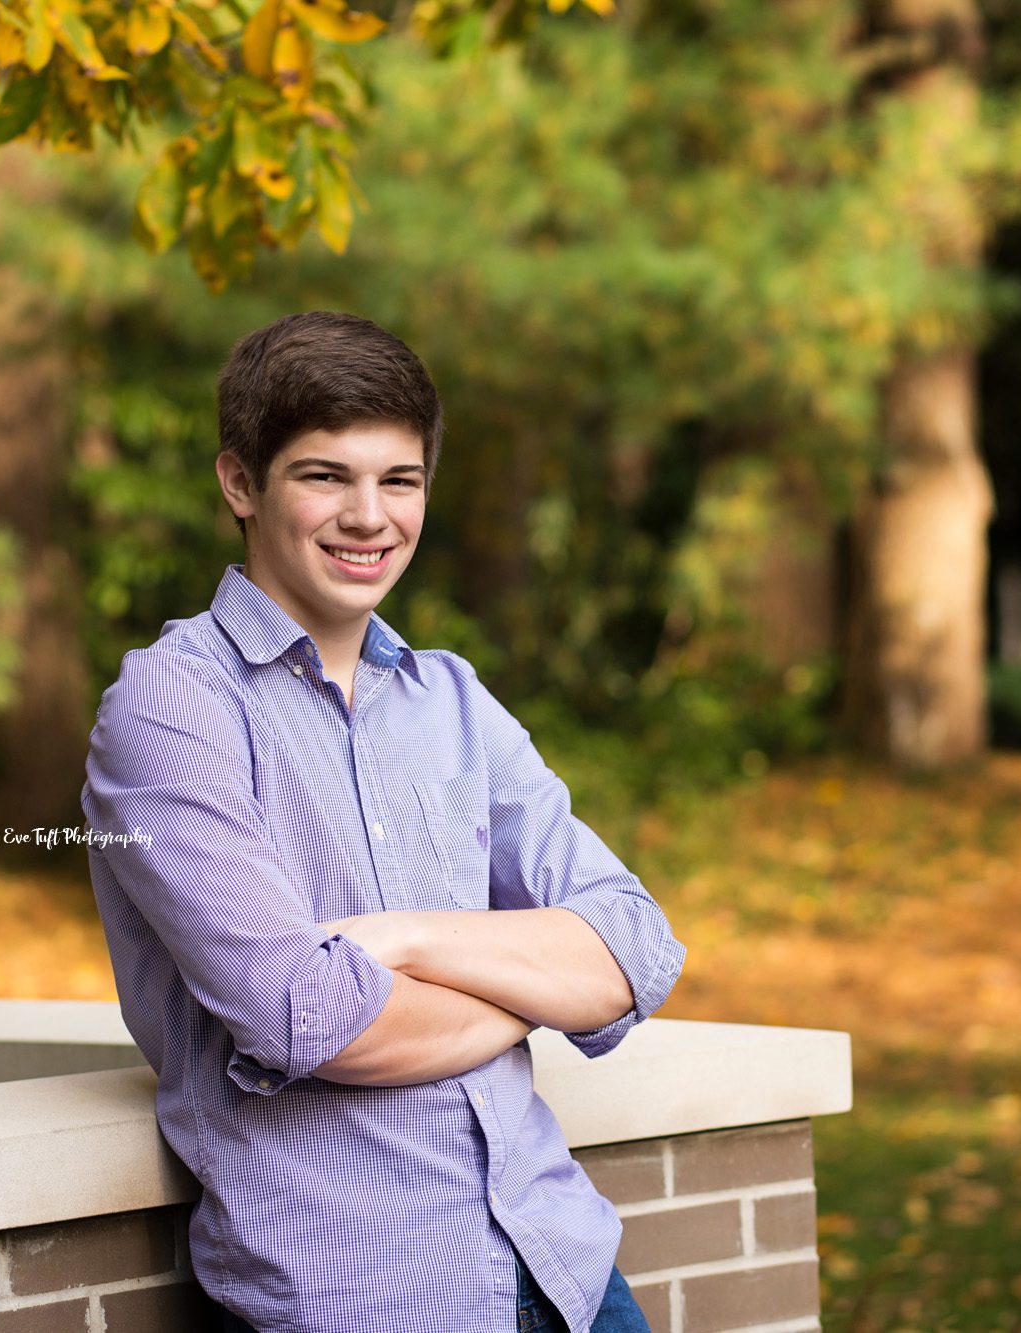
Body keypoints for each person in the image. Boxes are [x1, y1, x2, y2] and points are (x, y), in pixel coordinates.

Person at [81, 310, 686, 1333]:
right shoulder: (168, 709)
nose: (369, 516)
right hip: (361, 1300)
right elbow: (303, 1014)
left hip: (569, 1276)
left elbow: (634, 946)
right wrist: (530, 992)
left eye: (397, 481)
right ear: (240, 483)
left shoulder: (451, 700)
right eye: (324, 476)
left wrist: (404, 941)